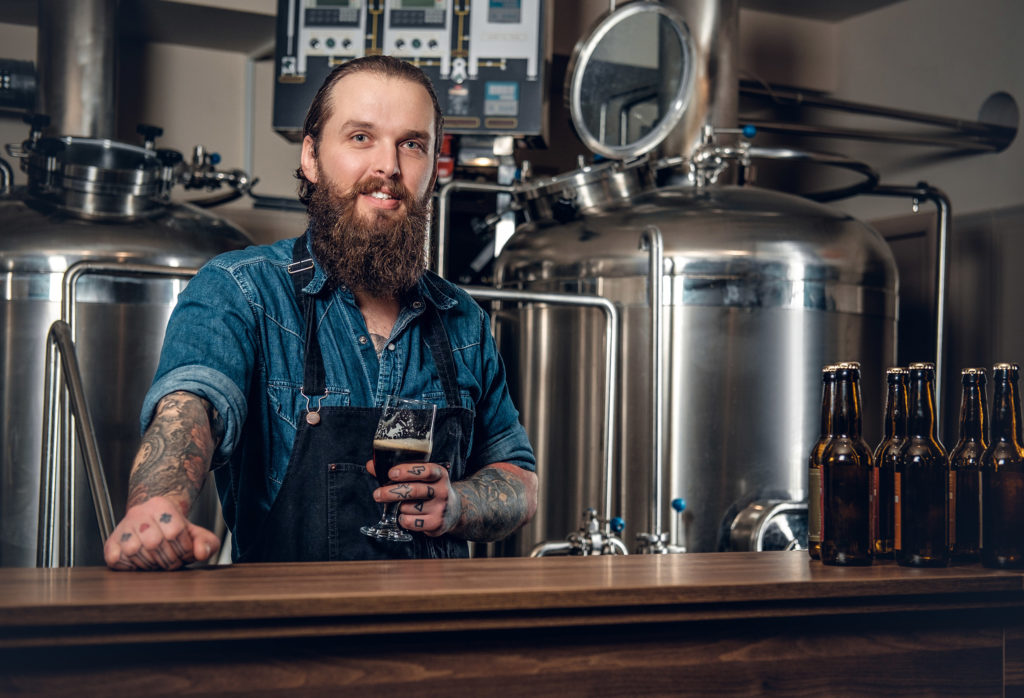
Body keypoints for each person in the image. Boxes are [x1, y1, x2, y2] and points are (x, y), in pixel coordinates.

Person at [103, 55, 537, 570]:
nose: (389, 167)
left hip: (437, 636)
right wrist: (158, 506)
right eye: (360, 137)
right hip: (290, 634)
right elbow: (192, 404)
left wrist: (458, 503)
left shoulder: (462, 320)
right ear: (311, 156)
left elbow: (520, 480)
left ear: (431, 171)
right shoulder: (243, 290)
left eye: (412, 144)